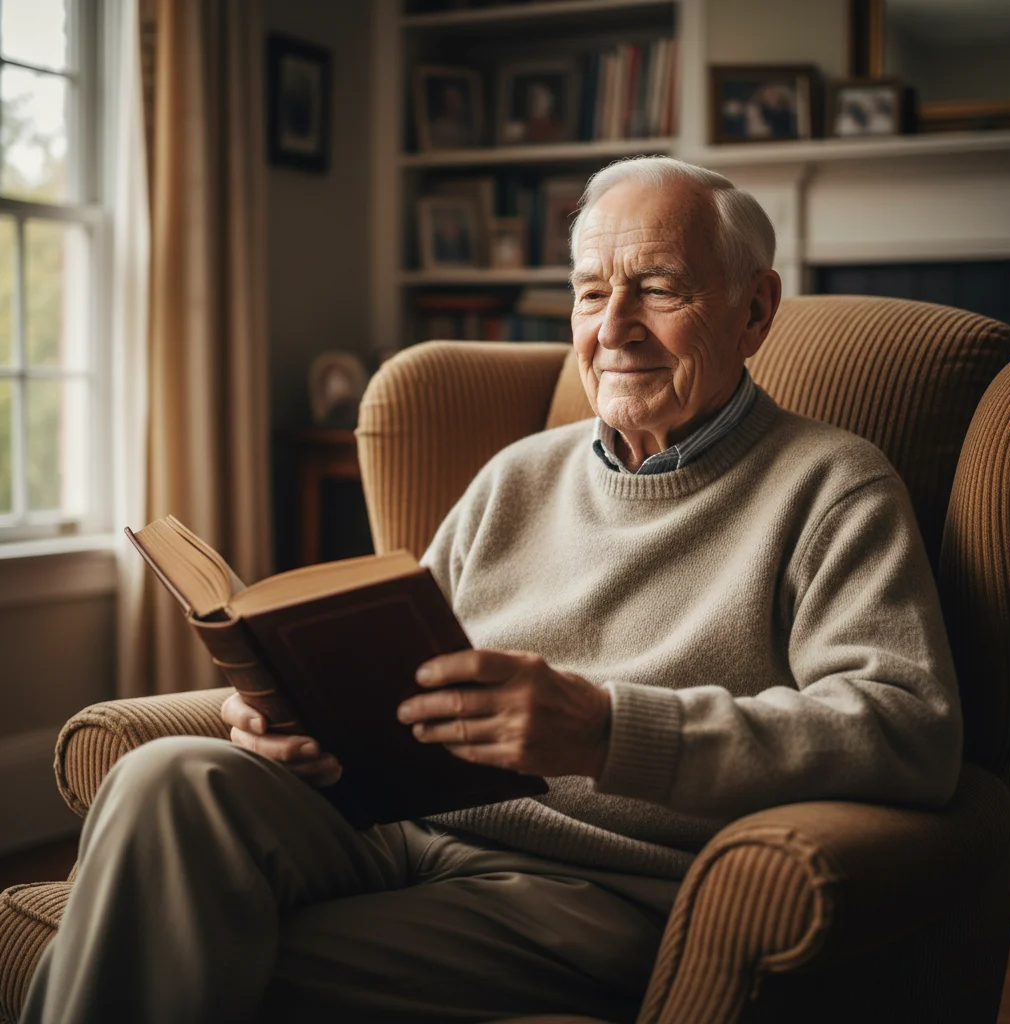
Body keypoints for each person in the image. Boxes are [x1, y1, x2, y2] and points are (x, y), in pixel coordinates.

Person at [21, 157, 962, 1023]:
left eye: (659, 289)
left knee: (190, 956)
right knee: (167, 775)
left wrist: (605, 730)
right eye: (592, 292)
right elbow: (409, 672)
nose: (615, 326)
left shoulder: (834, 485)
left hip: (591, 892)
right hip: (397, 826)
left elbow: (904, 730)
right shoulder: (520, 474)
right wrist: (296, 716)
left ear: (756, 311)